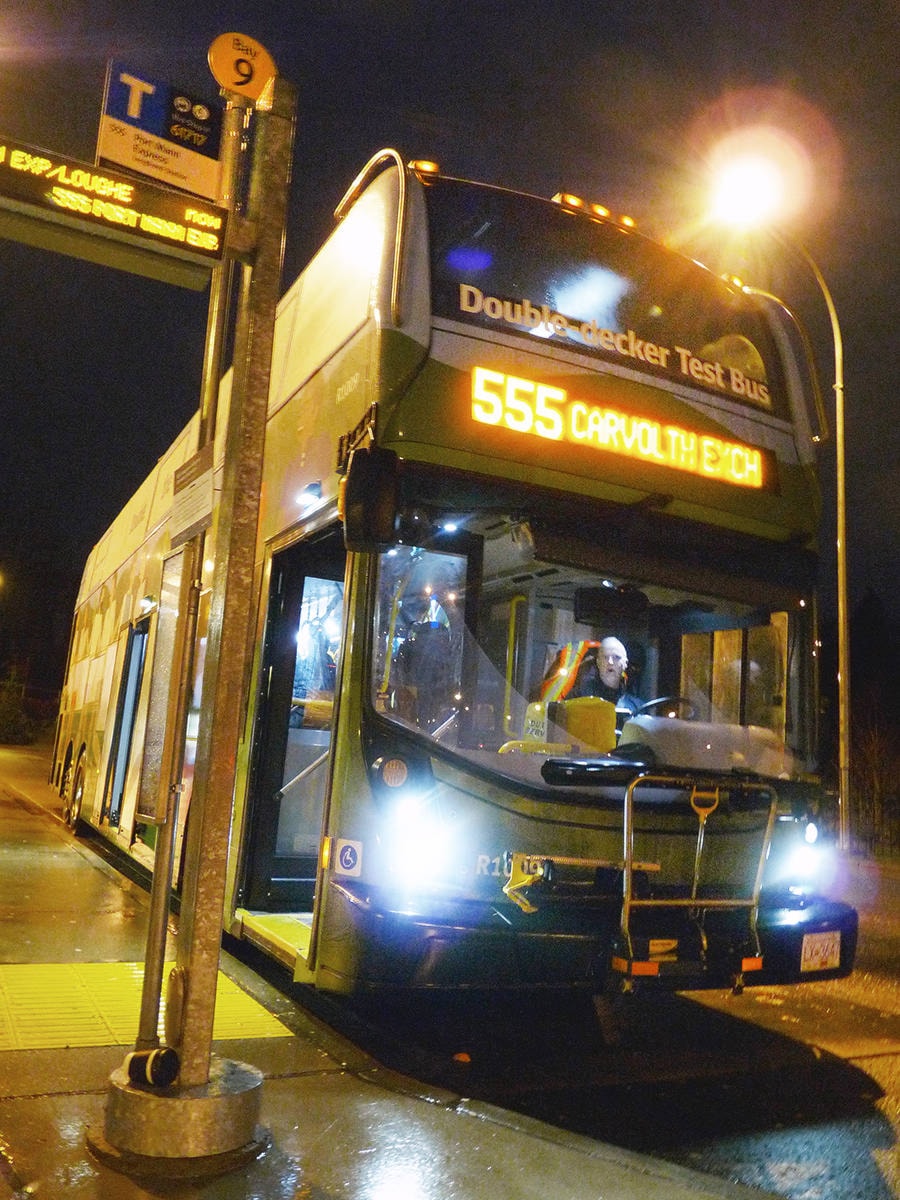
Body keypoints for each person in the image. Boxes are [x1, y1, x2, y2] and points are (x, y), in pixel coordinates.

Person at [540, 635, 640, 716]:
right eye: (605, 657)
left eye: (616, 657)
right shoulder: (578, 697)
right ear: (598, 662)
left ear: (625, 664)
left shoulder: (636, 706)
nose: (610, 662)